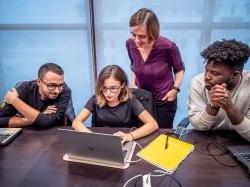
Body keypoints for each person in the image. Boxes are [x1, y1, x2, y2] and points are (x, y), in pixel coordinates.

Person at [126, 8, 185, 128]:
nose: (136, 40)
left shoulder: (168, 47)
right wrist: (133, 83)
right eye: (133, 34)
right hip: (141, 99)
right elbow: (134, 66)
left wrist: (175, 90)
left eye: (142, 36)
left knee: (161, 136)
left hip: (163, 100)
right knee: (143, 134)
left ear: (153, 32)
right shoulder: (129, 44)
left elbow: (179, 69)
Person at [72, 65, 158, 143]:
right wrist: (89, 134)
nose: (108, 93)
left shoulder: (131, 100)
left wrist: (129, 136)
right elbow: (76, 122)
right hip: (101, 142)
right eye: (104, 88)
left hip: (123, 141)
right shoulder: (96, 99)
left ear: (122, 85)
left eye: (113, 88)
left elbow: (153, 124)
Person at [188, 39, 250, 141]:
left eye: (215, 73)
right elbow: (197, 125)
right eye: (206, 70)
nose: (207, 77)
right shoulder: (198, 82)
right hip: (205, 138)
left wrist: (230, 108)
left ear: (235, 75)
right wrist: (213, 106)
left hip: (240, 140)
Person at [0, 62, 72, 129]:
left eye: (60, 85)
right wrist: (40, 115)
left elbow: (45, 122)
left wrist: (14, 100)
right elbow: (1, 121)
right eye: (51, 85)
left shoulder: (64, 91)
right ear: (39, 82)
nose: (57, 91)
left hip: (54, 133)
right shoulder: (24, 89)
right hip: (26, 136)